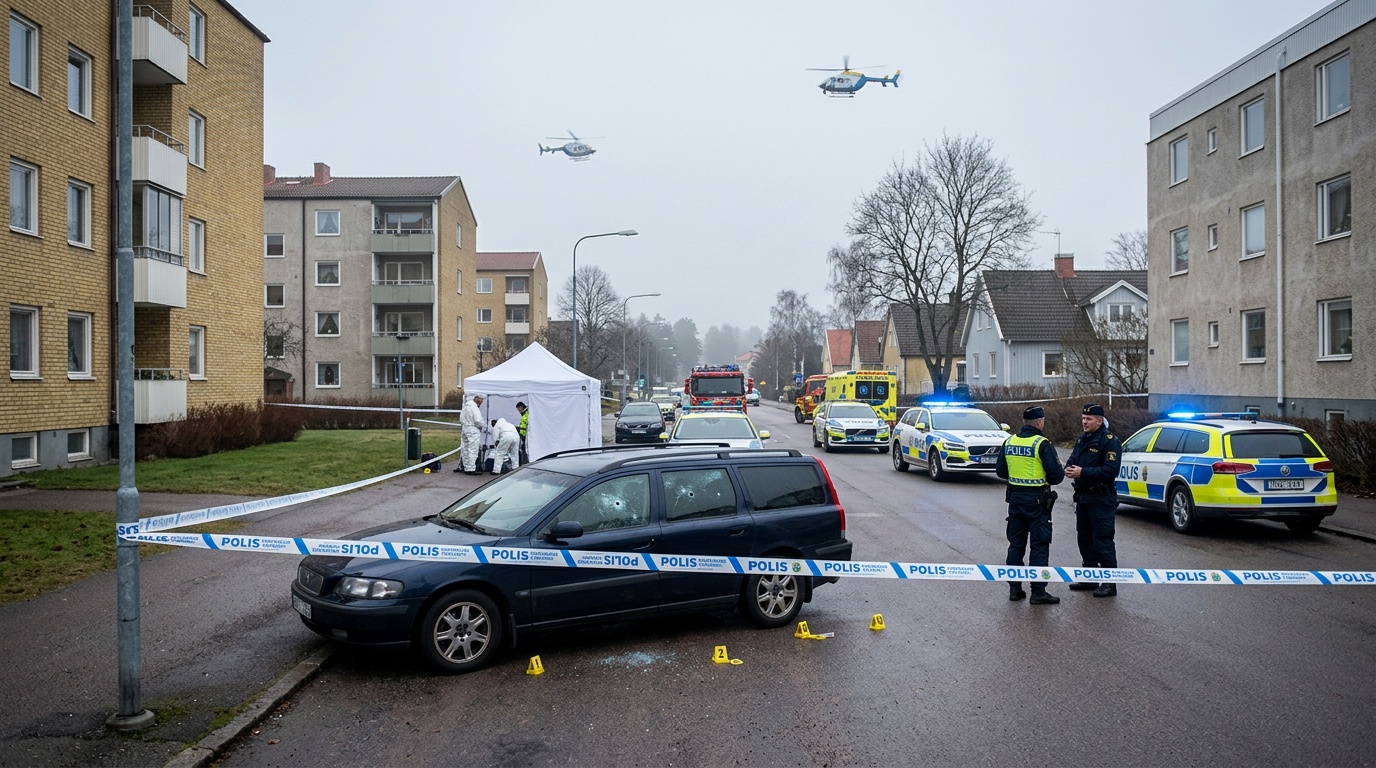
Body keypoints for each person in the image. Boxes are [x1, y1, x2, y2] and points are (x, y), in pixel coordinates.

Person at [995, 405, 1066, 605]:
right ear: (1040, 422)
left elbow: (1001, 471)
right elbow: (1056, 476)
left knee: (1015, 545)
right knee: (1039, 546)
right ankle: (1038, 592)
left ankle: (1015, 589)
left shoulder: (1009, 441)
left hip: (1016, 500)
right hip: (1037, 503)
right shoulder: (1042, 444)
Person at [1064, 403, 1123, 597]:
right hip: (1084, 497)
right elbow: (1073, 459)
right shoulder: (1083, 439)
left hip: (1101, 498)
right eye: (1083, 418)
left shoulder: (1109, 441)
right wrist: (1070, 469)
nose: (1084, 422)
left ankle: (1109, 582)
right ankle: (1089, 577)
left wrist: (1083, 472)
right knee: (1085, 539)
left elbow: (1110, 470)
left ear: (1099, 421)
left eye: (1088, 419)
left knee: (1103, 540)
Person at [455, 394, 484, 475]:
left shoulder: (465, 407)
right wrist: (482, 426)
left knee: (465, 448)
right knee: (472, 449)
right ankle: (471, 468)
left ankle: (466, 466)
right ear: (476, 399)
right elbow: (478, 420)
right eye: (481, 400)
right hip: (473, 429)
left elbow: (461, 418)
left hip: (465, 428)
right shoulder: (474, 408)